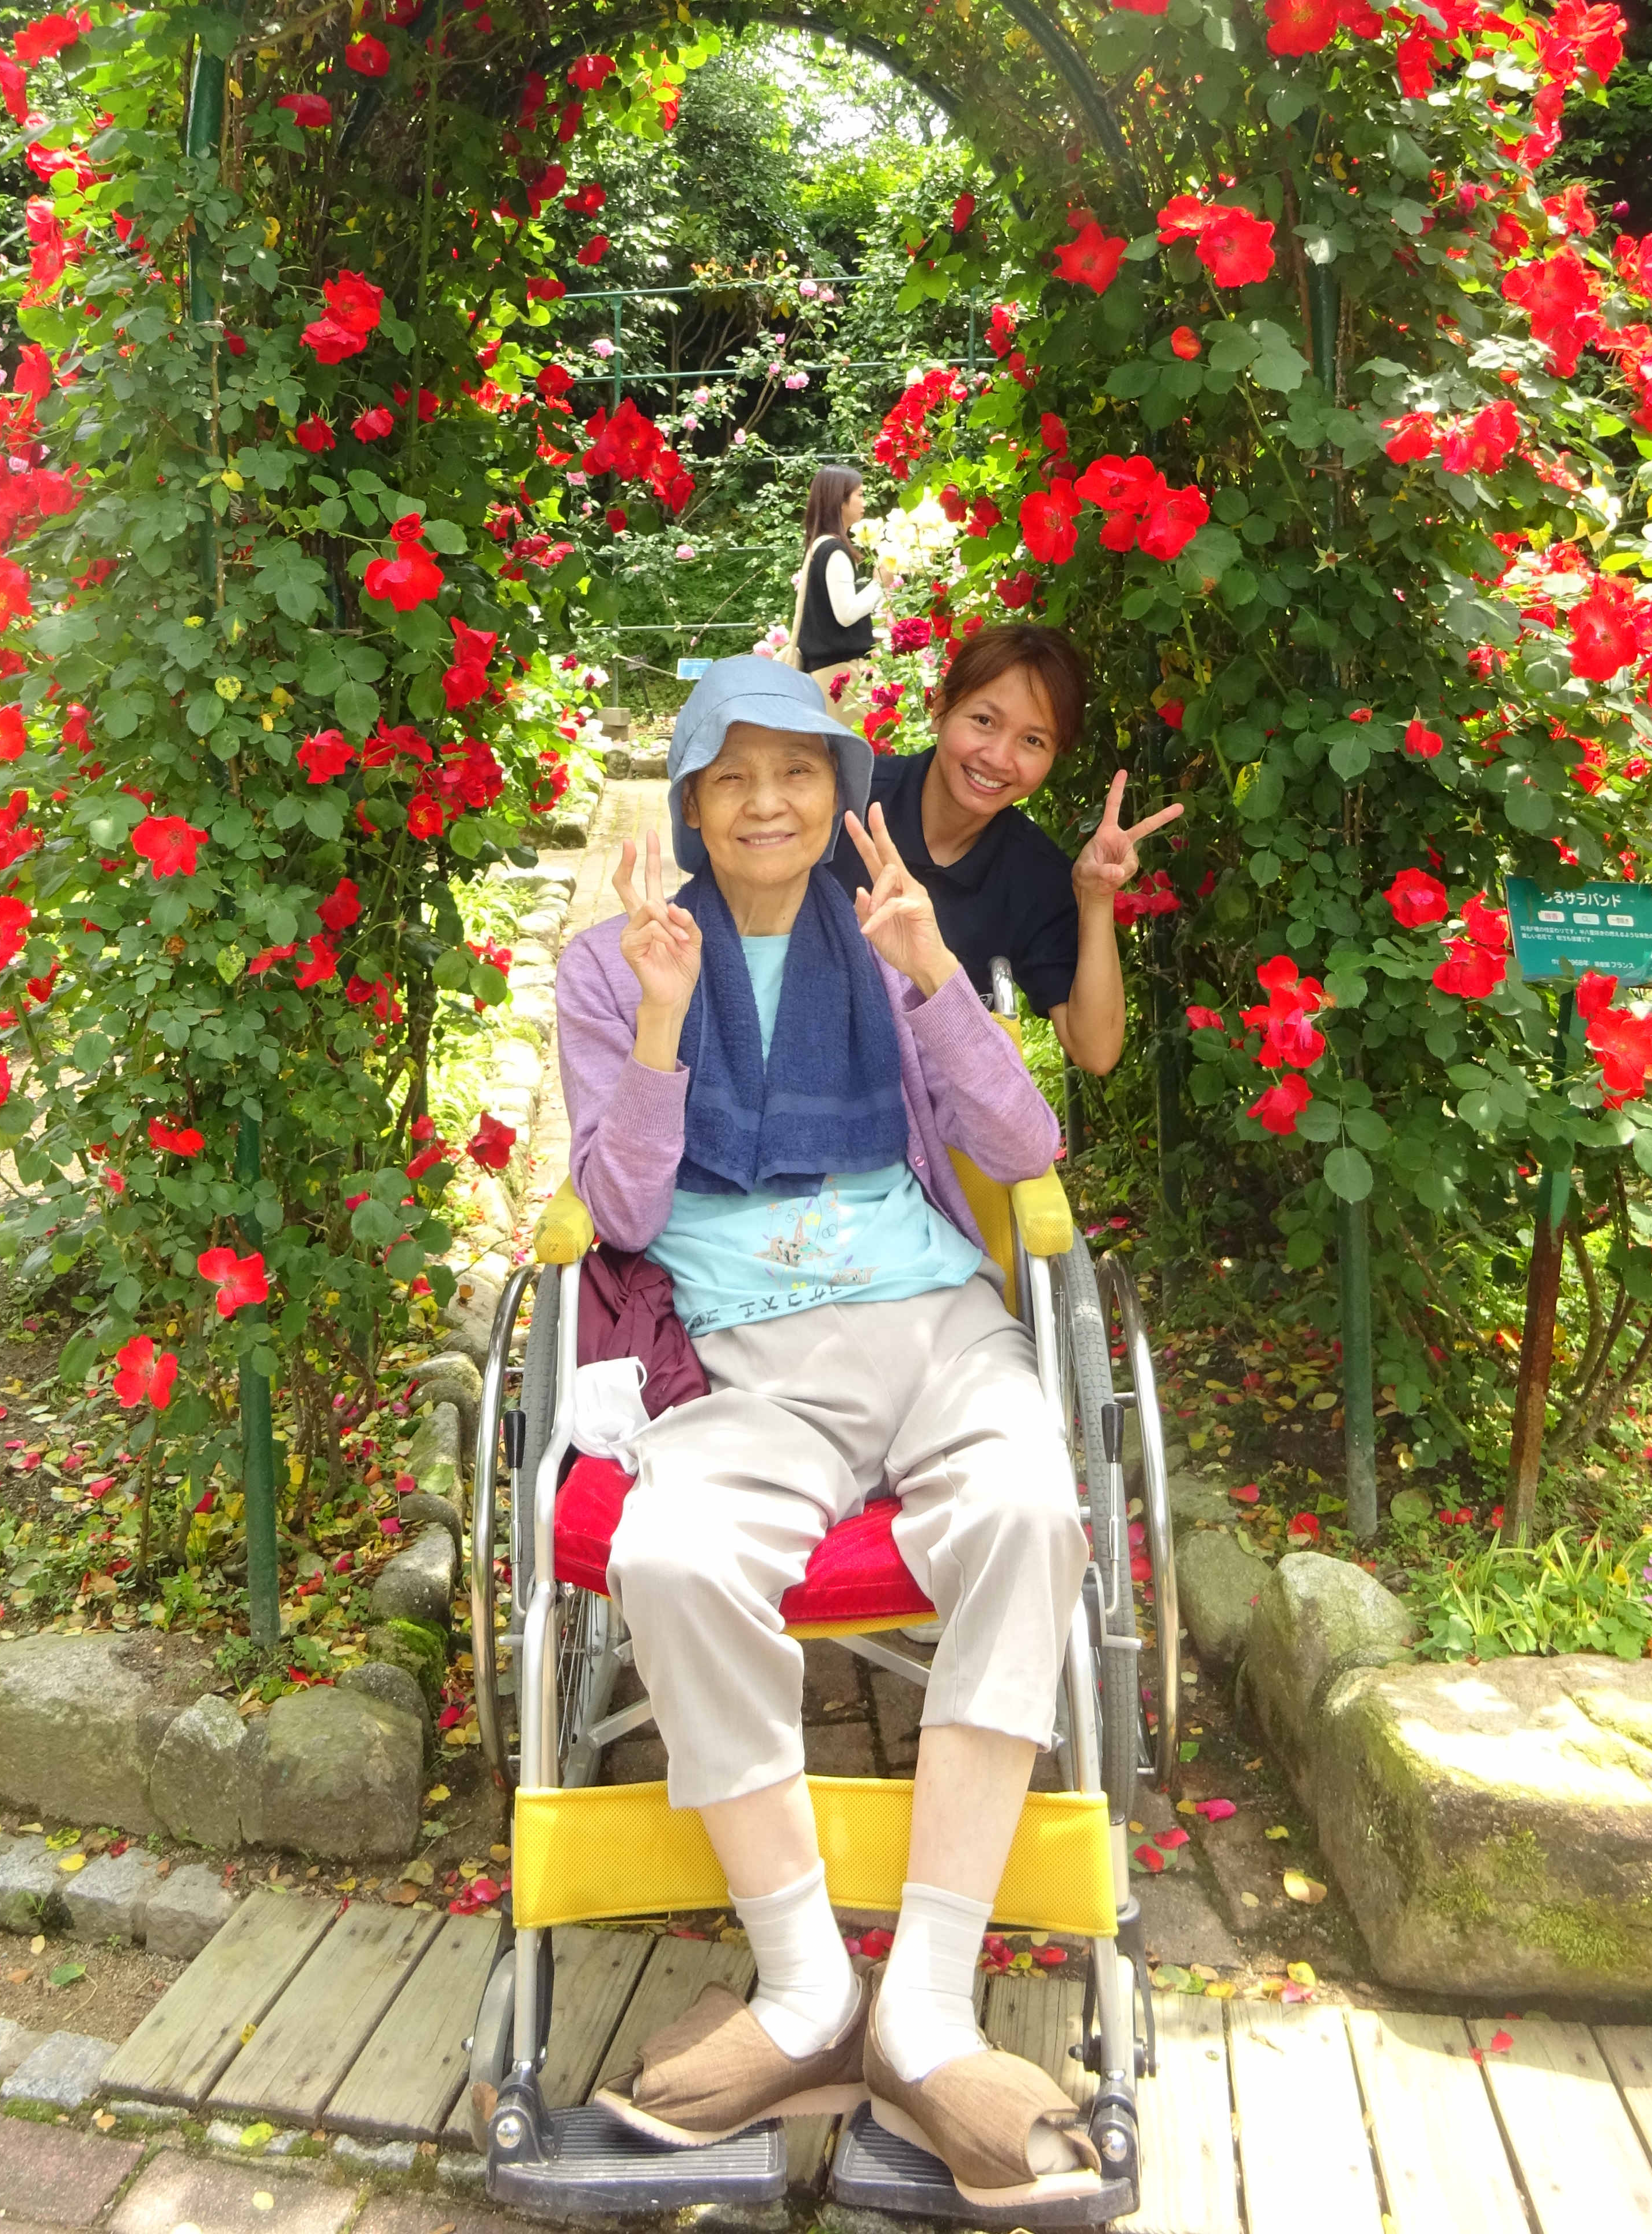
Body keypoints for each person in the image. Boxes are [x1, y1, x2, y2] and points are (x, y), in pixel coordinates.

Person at [553, 655, 1100, 2206]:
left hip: (932, 1325)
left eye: (798, 771)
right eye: (733, 776)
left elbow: (1024, 1144)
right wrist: (663, 1020)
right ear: (693, 801)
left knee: (1028, 1514)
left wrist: (934, 979)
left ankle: (922, 2012)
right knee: (671, 1556)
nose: (768, 803)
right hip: (745, 1361)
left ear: (842, 789)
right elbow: (620, 1211)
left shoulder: (887, 930)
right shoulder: (611, 963)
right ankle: (804, 1991)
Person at [830, 620, 1182, 1074]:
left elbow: (1096, 1051)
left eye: (1032, 741)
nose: (998, 758)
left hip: (929, 1110)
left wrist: (1096, 898)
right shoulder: (844, 800)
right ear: (941, 709)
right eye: (984, 721)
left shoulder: (1033, 875)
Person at [788, 463, 883, 716]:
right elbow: (846, 614)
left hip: (824, 673)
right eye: (860, 495)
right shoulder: (835, 550)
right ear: (840, 500)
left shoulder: (819, 546)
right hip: (842, 675)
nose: (864, 502)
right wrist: (879, 584)